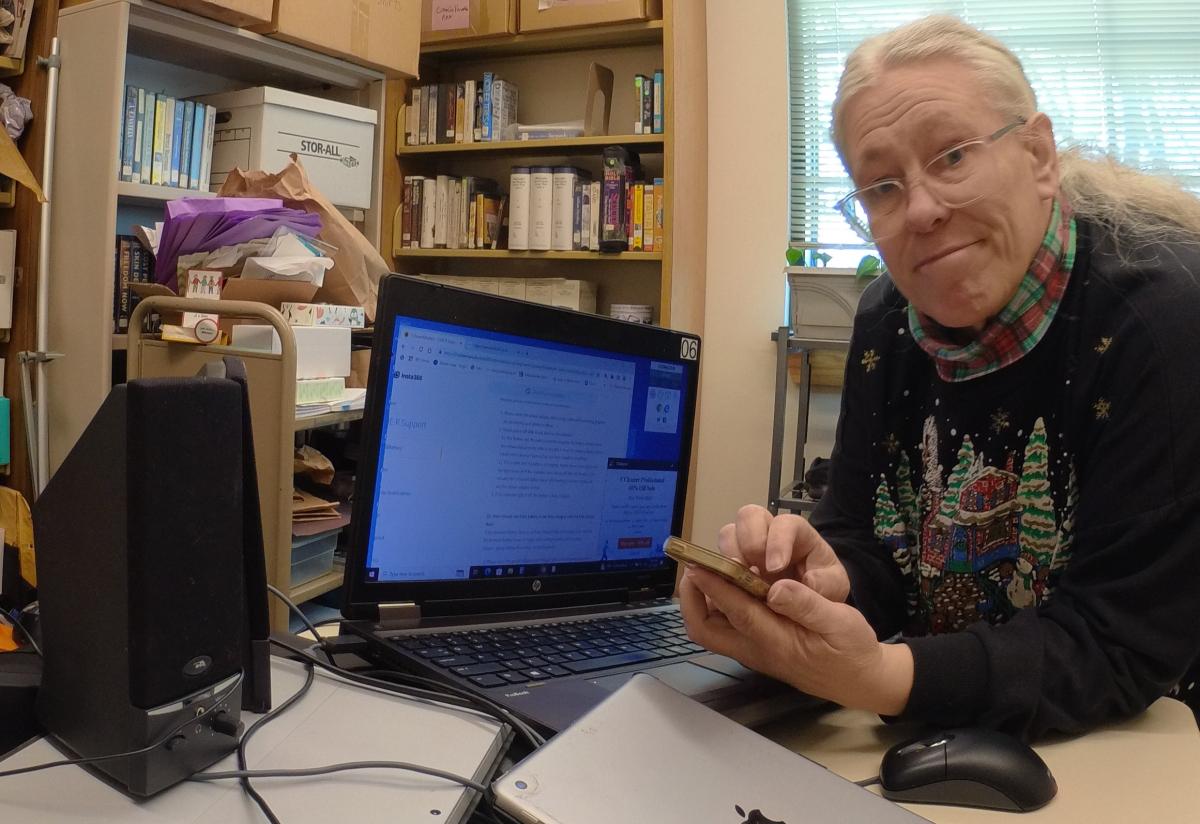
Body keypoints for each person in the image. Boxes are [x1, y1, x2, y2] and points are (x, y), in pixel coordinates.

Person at [679, 14, 1200, 740]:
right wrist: (818, 584)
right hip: (953, 723)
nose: (921, 209)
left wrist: (881, 678)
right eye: (882, 188)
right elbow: (867, 540)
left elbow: (1118, 643)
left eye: (953, 156)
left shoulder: (1163, 315)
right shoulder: (885, 320)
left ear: (1038, 154)